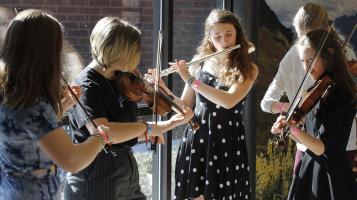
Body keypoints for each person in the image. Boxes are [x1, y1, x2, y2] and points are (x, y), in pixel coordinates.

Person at [63, 16, 193, 200]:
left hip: (125, 170)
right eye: (135, 51)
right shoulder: (87, 85)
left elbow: (125, 130)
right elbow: (105, 134)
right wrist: (156, 127)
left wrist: (162, 125)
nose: (138, 58)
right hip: (96, 175)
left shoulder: (120, 80)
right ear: (117, 51)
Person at [0, 9, 113, 200]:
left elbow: (24, 136)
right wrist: (101, 135)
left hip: (12, 188)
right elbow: (72, 161)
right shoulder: (33, 104)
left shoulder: (10, 90)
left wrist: (58, 110)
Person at [169, 9, 258, 200]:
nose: (224, 41)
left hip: (228, 139)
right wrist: (161, 91)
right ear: (209, 37)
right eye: (217, 36)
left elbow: (228, 101)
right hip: (198, 136)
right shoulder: (198, 64)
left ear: (238, 35)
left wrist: (192, 81)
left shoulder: (248, 68)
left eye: (229, 34)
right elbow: (185, 104)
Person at [260, 3, 357, 172]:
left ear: (327, 31)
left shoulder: (344, 53)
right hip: (306, 147)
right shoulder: (292, 57)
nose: (307, 47)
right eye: (303, 39)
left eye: (314, 39)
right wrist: (288, 109)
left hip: (341, 147)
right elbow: (266, 102)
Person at [271, 29, 357, 200]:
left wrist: (293, 129)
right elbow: (309, 137)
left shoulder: (342, 93)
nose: (307, 67)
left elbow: (322, 147)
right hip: (310, 168)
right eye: (303, 61)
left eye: (311, 60)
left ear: (328, 55)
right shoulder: (318, 88)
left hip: (330, 176)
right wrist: (288, 130)